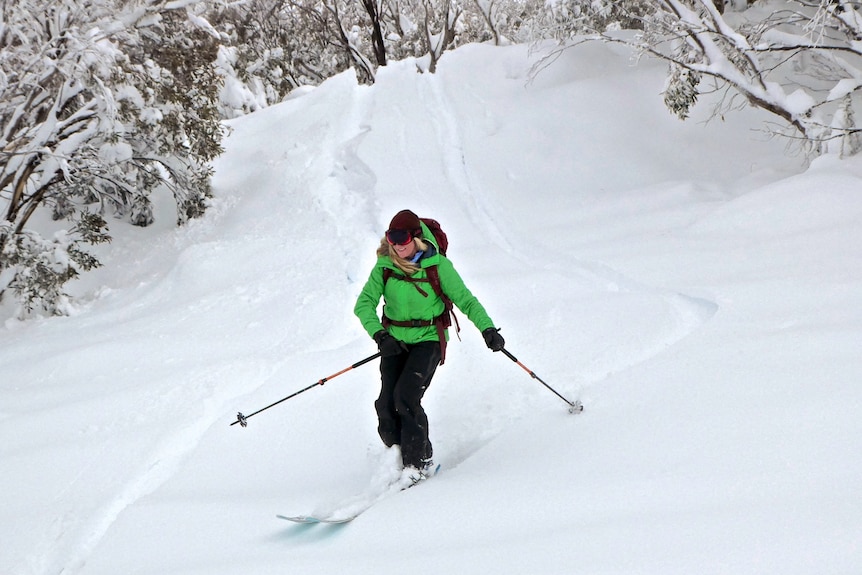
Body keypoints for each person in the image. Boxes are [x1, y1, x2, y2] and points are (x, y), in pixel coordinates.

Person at [354, 209, 505, 481]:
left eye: (403, 239)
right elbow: (364, 304)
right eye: (392, 239)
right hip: (395, 342)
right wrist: (380, 336)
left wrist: (488, 329)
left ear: (416, 238)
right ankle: (398, 459)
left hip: (429, 340)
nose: (398, 245)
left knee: (406, 397)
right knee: (385, 405)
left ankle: (418, 464)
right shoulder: (384, 267)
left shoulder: (437, 265)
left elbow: (466, 300)